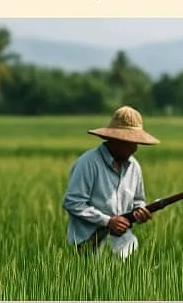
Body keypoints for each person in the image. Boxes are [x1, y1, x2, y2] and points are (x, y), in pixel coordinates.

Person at [61, 105, 160, 259]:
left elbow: (138, 201)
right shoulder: (88, 163)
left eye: (136, 143)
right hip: (90, 249)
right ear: (114, 140)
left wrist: (140, 211)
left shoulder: (134, 167)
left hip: (124, 248)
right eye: (129, 142)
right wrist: (107, 221)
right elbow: (72, 202)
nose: (134, 148)